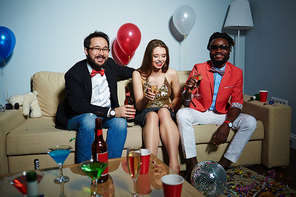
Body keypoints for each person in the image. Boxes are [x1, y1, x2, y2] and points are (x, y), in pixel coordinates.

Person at [177, 32, 257, 177]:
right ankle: (193, 166)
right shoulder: (199, 68)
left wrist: (227, 123)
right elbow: (185, 102)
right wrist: (188, 91)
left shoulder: (237, 73)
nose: (219, 51)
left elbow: (237, 103)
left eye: (223, 47)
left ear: (229, 50)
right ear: (209, 50)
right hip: (200, 112)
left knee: (250, 122)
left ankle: (221, 167)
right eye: (214, 47)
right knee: (182, 114)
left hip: (222, 115)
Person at [55, 31, 136, 163]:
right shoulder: (73, 74)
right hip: (78, 116)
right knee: (88, 119)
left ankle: (110, 169)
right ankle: (84, 170)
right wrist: (113, 111)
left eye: (105, 49)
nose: (101, 53)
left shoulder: (110, 64)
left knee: (121, 122)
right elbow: (79, 106)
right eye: (96, 48)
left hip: (104, 116)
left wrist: (151, 76)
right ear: (86, 51)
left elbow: (132, 72)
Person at [132, 39, 181, 173]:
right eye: (156, 56)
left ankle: (173, 163)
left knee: (163, 112)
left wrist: (172, 104)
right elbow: (139, 106)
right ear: (149, 56)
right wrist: (146, 98)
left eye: (163, 56)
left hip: (165, 110)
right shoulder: (138, 74)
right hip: (146, 111)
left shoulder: (171, 73)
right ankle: (150, 163)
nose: (160, 59)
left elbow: (178, 96)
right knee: (153, 115)